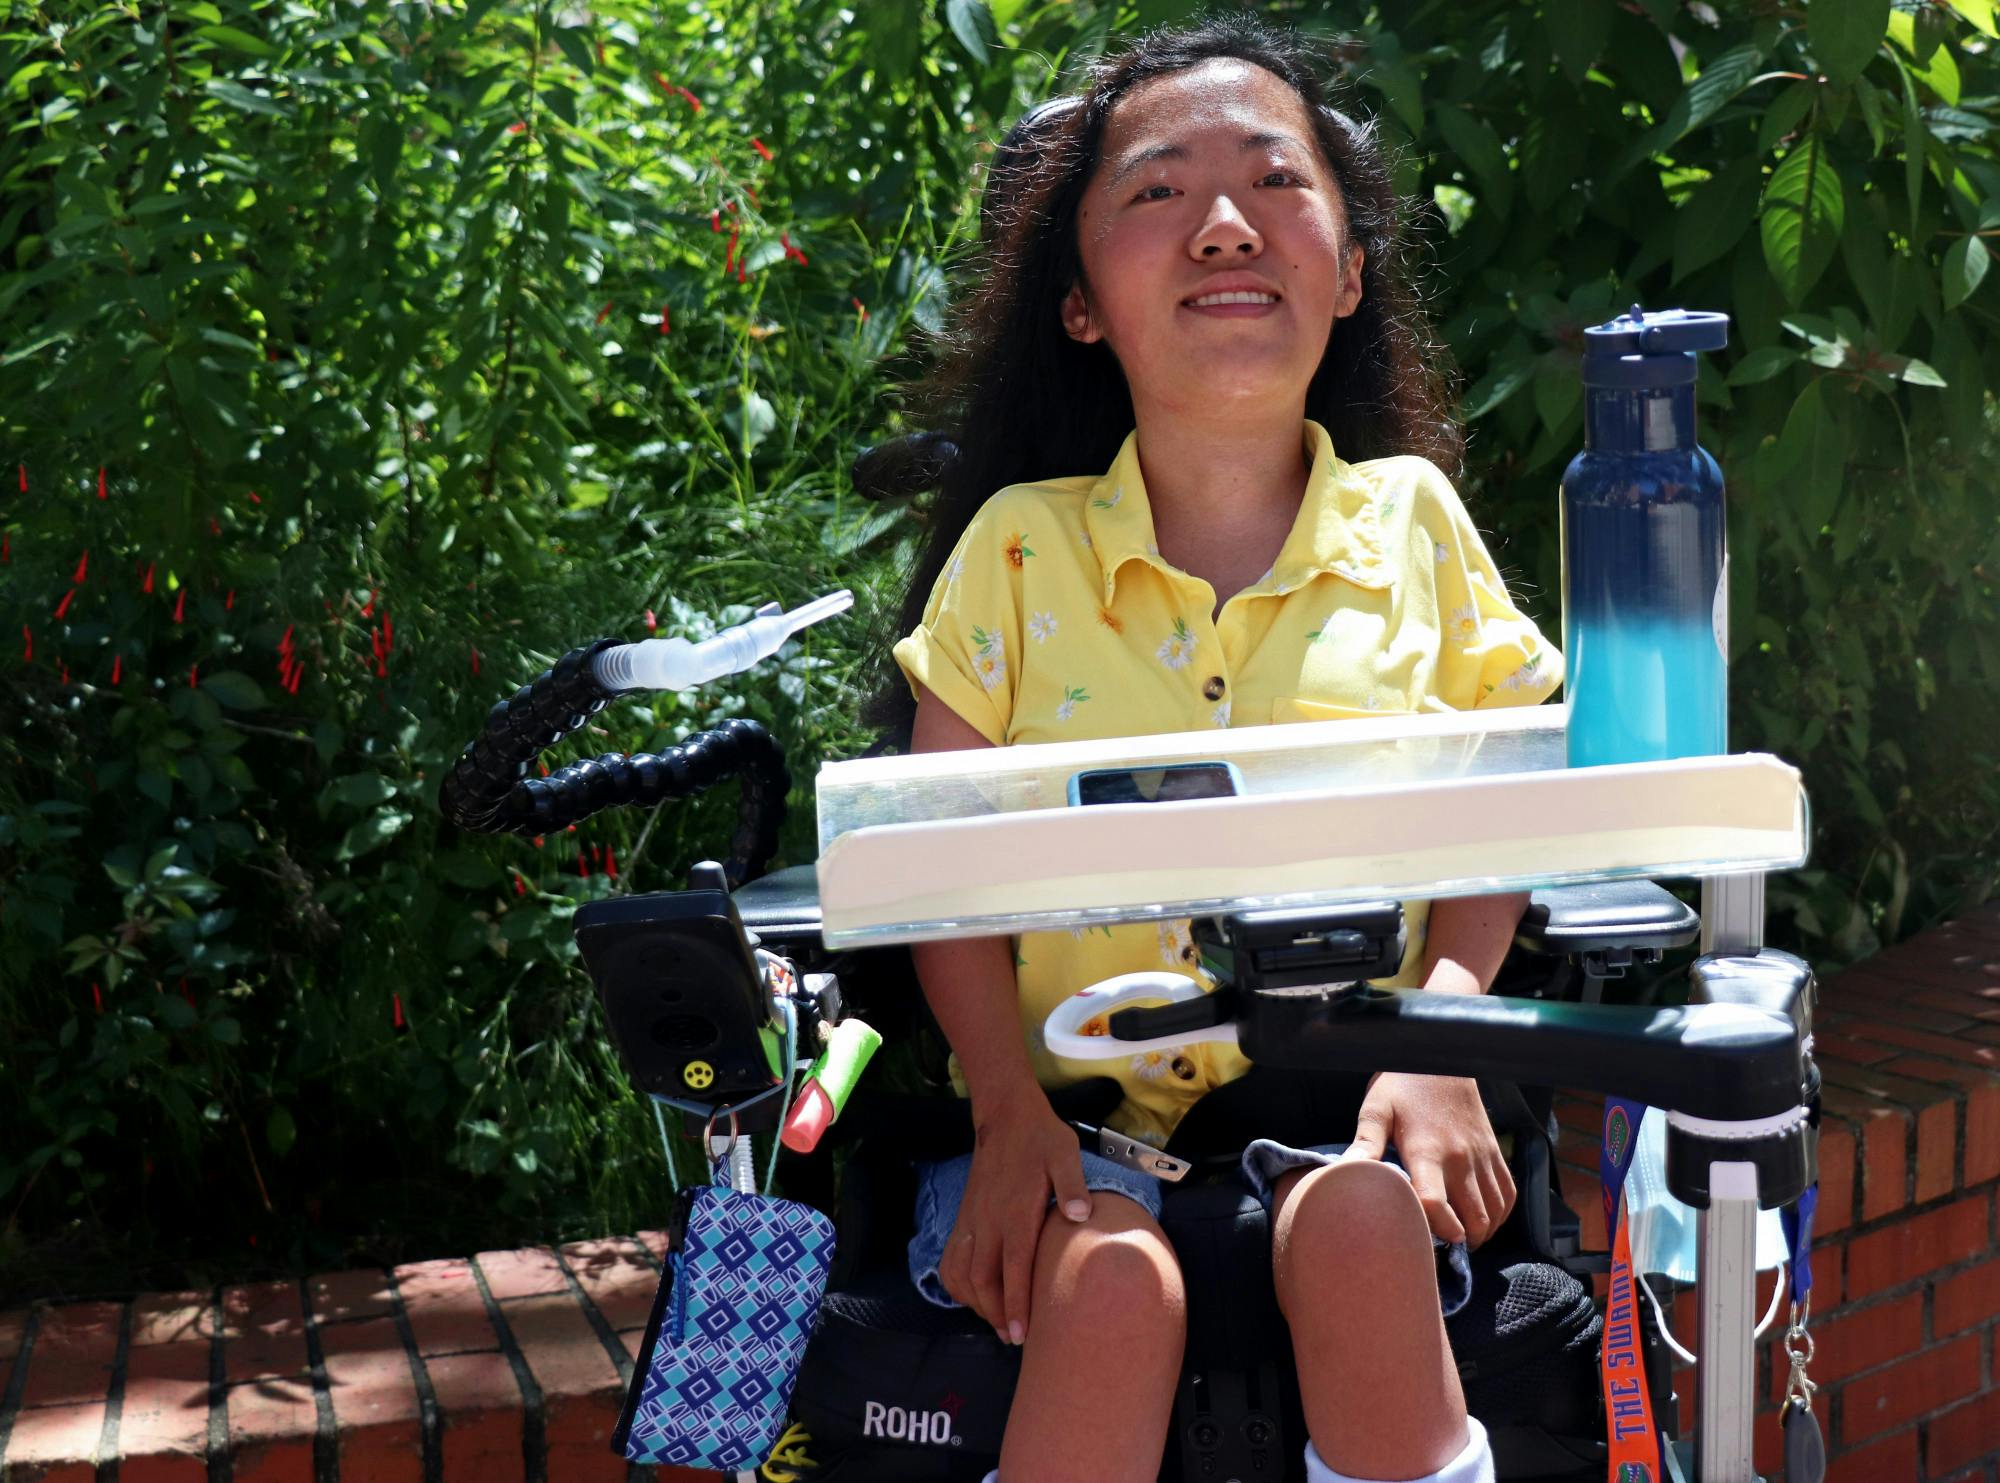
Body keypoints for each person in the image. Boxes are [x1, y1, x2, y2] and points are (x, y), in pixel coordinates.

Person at [870, 16, 1563, 1483]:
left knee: (1365, 1230)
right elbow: (929, 865)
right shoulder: (1018, 550)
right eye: (1156, 191)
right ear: (1078, 303)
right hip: (1070, 1130)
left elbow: (1510, 801)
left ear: (1352, 270)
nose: (1225, 226)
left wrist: (1447, 1048)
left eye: (1275, 182)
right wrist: (1000, 1110)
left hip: (1362, 1105)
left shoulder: (1420, 530)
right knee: (1108, 1285)